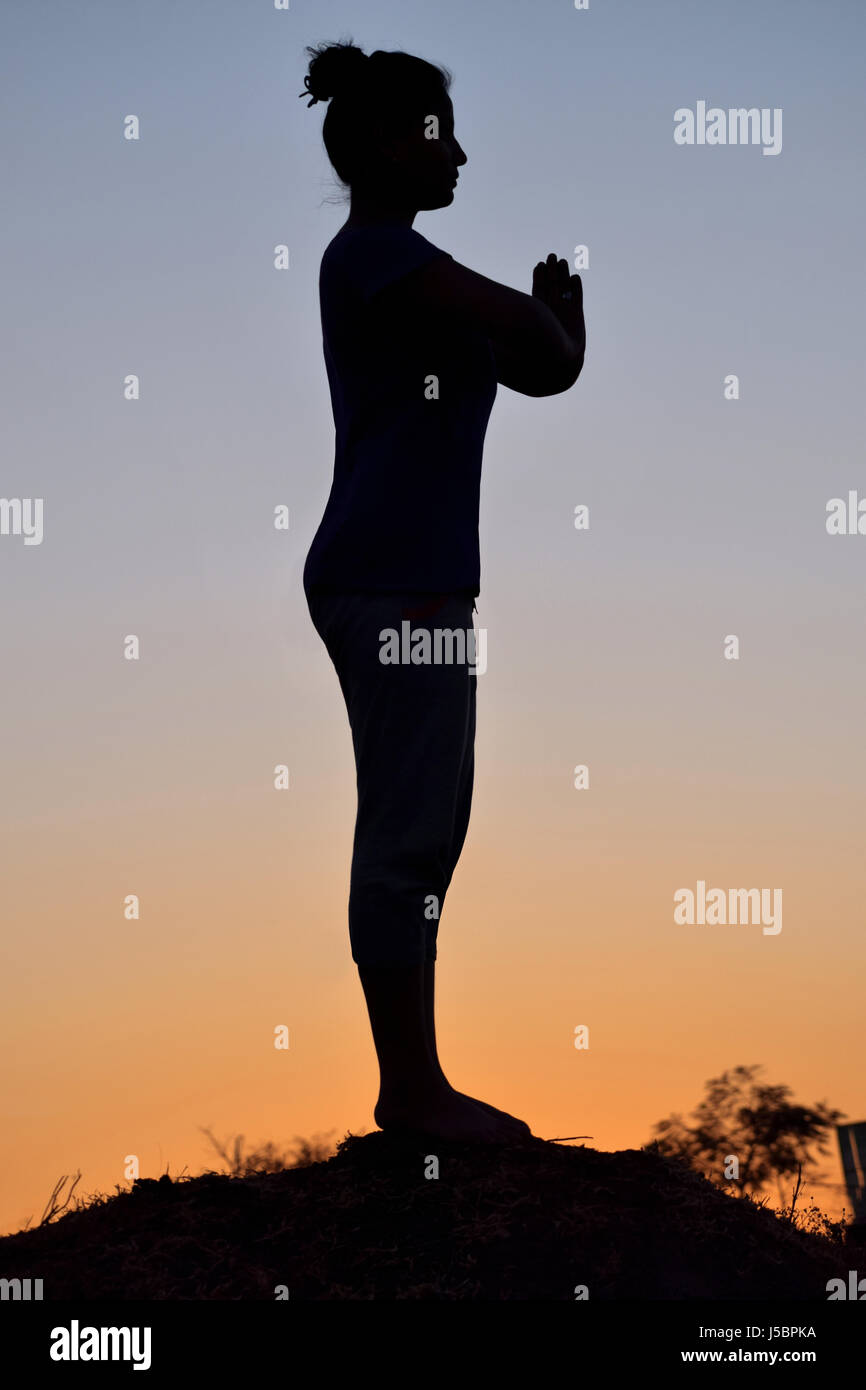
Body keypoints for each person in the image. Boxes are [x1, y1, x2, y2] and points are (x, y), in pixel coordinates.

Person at [300, 40, 586, 1141]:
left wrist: (566, 325)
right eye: (437, 134)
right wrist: (545, 320)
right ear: (384, 143)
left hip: (415, 579)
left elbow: (540, 360)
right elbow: (522, 334)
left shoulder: (413, 274)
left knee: (427, 826)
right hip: (391, 578)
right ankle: (410, 1092)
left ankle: (414, 1084)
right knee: (410, 831)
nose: (458, 153)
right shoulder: (375, 256)